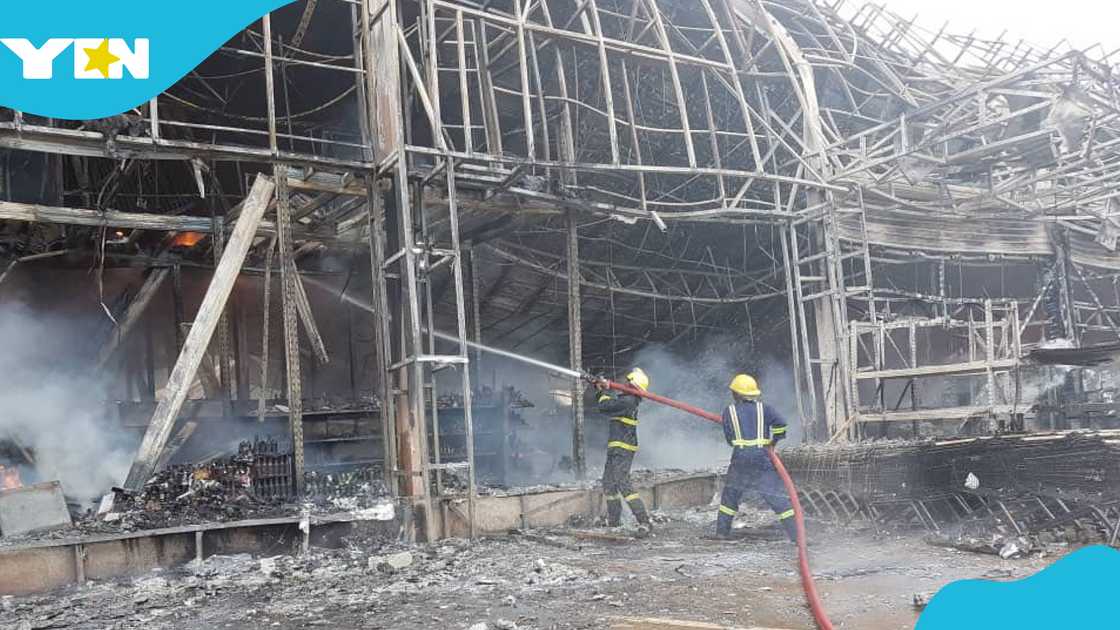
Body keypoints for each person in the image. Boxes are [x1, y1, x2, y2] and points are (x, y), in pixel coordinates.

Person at [715, 374, 797, 542]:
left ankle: (721, 533)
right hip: (761, 458)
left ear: (736, 394)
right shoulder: (765, 409)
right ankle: (797, 536)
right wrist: (774, 441)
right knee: (777, 497)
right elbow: (781, 424)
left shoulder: (729, 411)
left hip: (740, 459)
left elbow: (730, 439)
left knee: (730, 496)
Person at [595, 368, 653, 537]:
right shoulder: (626, 400)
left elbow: (605, 407)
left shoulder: (628, 401)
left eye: (627, 382)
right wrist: (602, 390)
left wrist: (603, 391)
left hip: (623, 448)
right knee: (608, 483)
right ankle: (614, 521)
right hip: (617, 447)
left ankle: (644, 522)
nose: (624, 383)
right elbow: (609, 404)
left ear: (632, 385)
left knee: (623, 483)